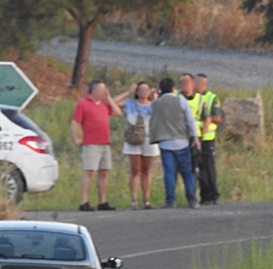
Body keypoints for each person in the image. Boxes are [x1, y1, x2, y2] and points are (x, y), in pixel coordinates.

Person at [71, 80, 123, 211]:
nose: (104, 92)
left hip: (105, 142)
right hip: (91, 143)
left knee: (104, 172)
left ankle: (103, 201)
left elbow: (118, 113)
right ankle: (84, 201)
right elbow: (75, 122)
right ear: (93, 91)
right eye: (101, 90)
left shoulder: (104, 104)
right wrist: (76, 138)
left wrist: (109, 98)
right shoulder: (83, 104)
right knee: (89, 171)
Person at [149, 77, 200, 208]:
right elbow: (190, 120)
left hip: (165, 143)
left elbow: (150, 114)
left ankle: (170, 200)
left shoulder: (156, 103)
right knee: (187, 172)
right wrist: (195, 137)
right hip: (182, 141)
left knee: (169, 173)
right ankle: (192, 199)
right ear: (173, 88)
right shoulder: (181, 101)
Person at [115, 82, 160, 210]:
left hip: (149, 139)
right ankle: (134, 201)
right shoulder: (129, 103)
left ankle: (146, 200)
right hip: (133, 139)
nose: (143, 92)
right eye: (141, 89)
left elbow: (161, 110)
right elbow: (112, 102)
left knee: (146, 170)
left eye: (146, 90)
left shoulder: (153, 104)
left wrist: (155, 96)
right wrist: (128, 91)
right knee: (135, 170)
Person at [195, 73, 222, 205]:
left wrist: (205, 117)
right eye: (197, 82)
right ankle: (204, 196)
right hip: (194, 138)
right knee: (198, 169)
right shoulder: (188, 97)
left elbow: (217, 118)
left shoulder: (211, 98)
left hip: (207, 138)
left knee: (209, 168)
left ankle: (214, 195)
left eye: (201, 83)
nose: (198, 85)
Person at [177, 73, 203, 183]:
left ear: (192, 83)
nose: (184, 85)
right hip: (179, 136)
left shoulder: (200, 98)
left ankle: (192, 191)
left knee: (194, 166)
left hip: (194, 137)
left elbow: (206, 118)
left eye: (186, 82)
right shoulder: (175, 96)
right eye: (181, 83)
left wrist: (200, 135)